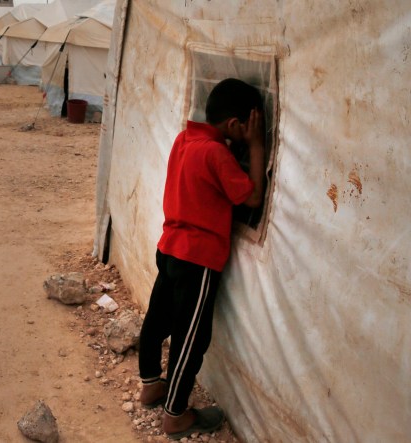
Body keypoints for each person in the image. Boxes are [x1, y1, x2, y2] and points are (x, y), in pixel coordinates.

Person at [137, 78, 266, 440]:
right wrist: (256, 147)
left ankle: (150, 384)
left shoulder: (184, 140)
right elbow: (252, 198)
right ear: (235, 126)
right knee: (191, 338)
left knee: (157, 318)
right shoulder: (218, 153)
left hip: (169, 247)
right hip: (199, 258)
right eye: (248, 128)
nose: (248, 134)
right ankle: (176, 414)